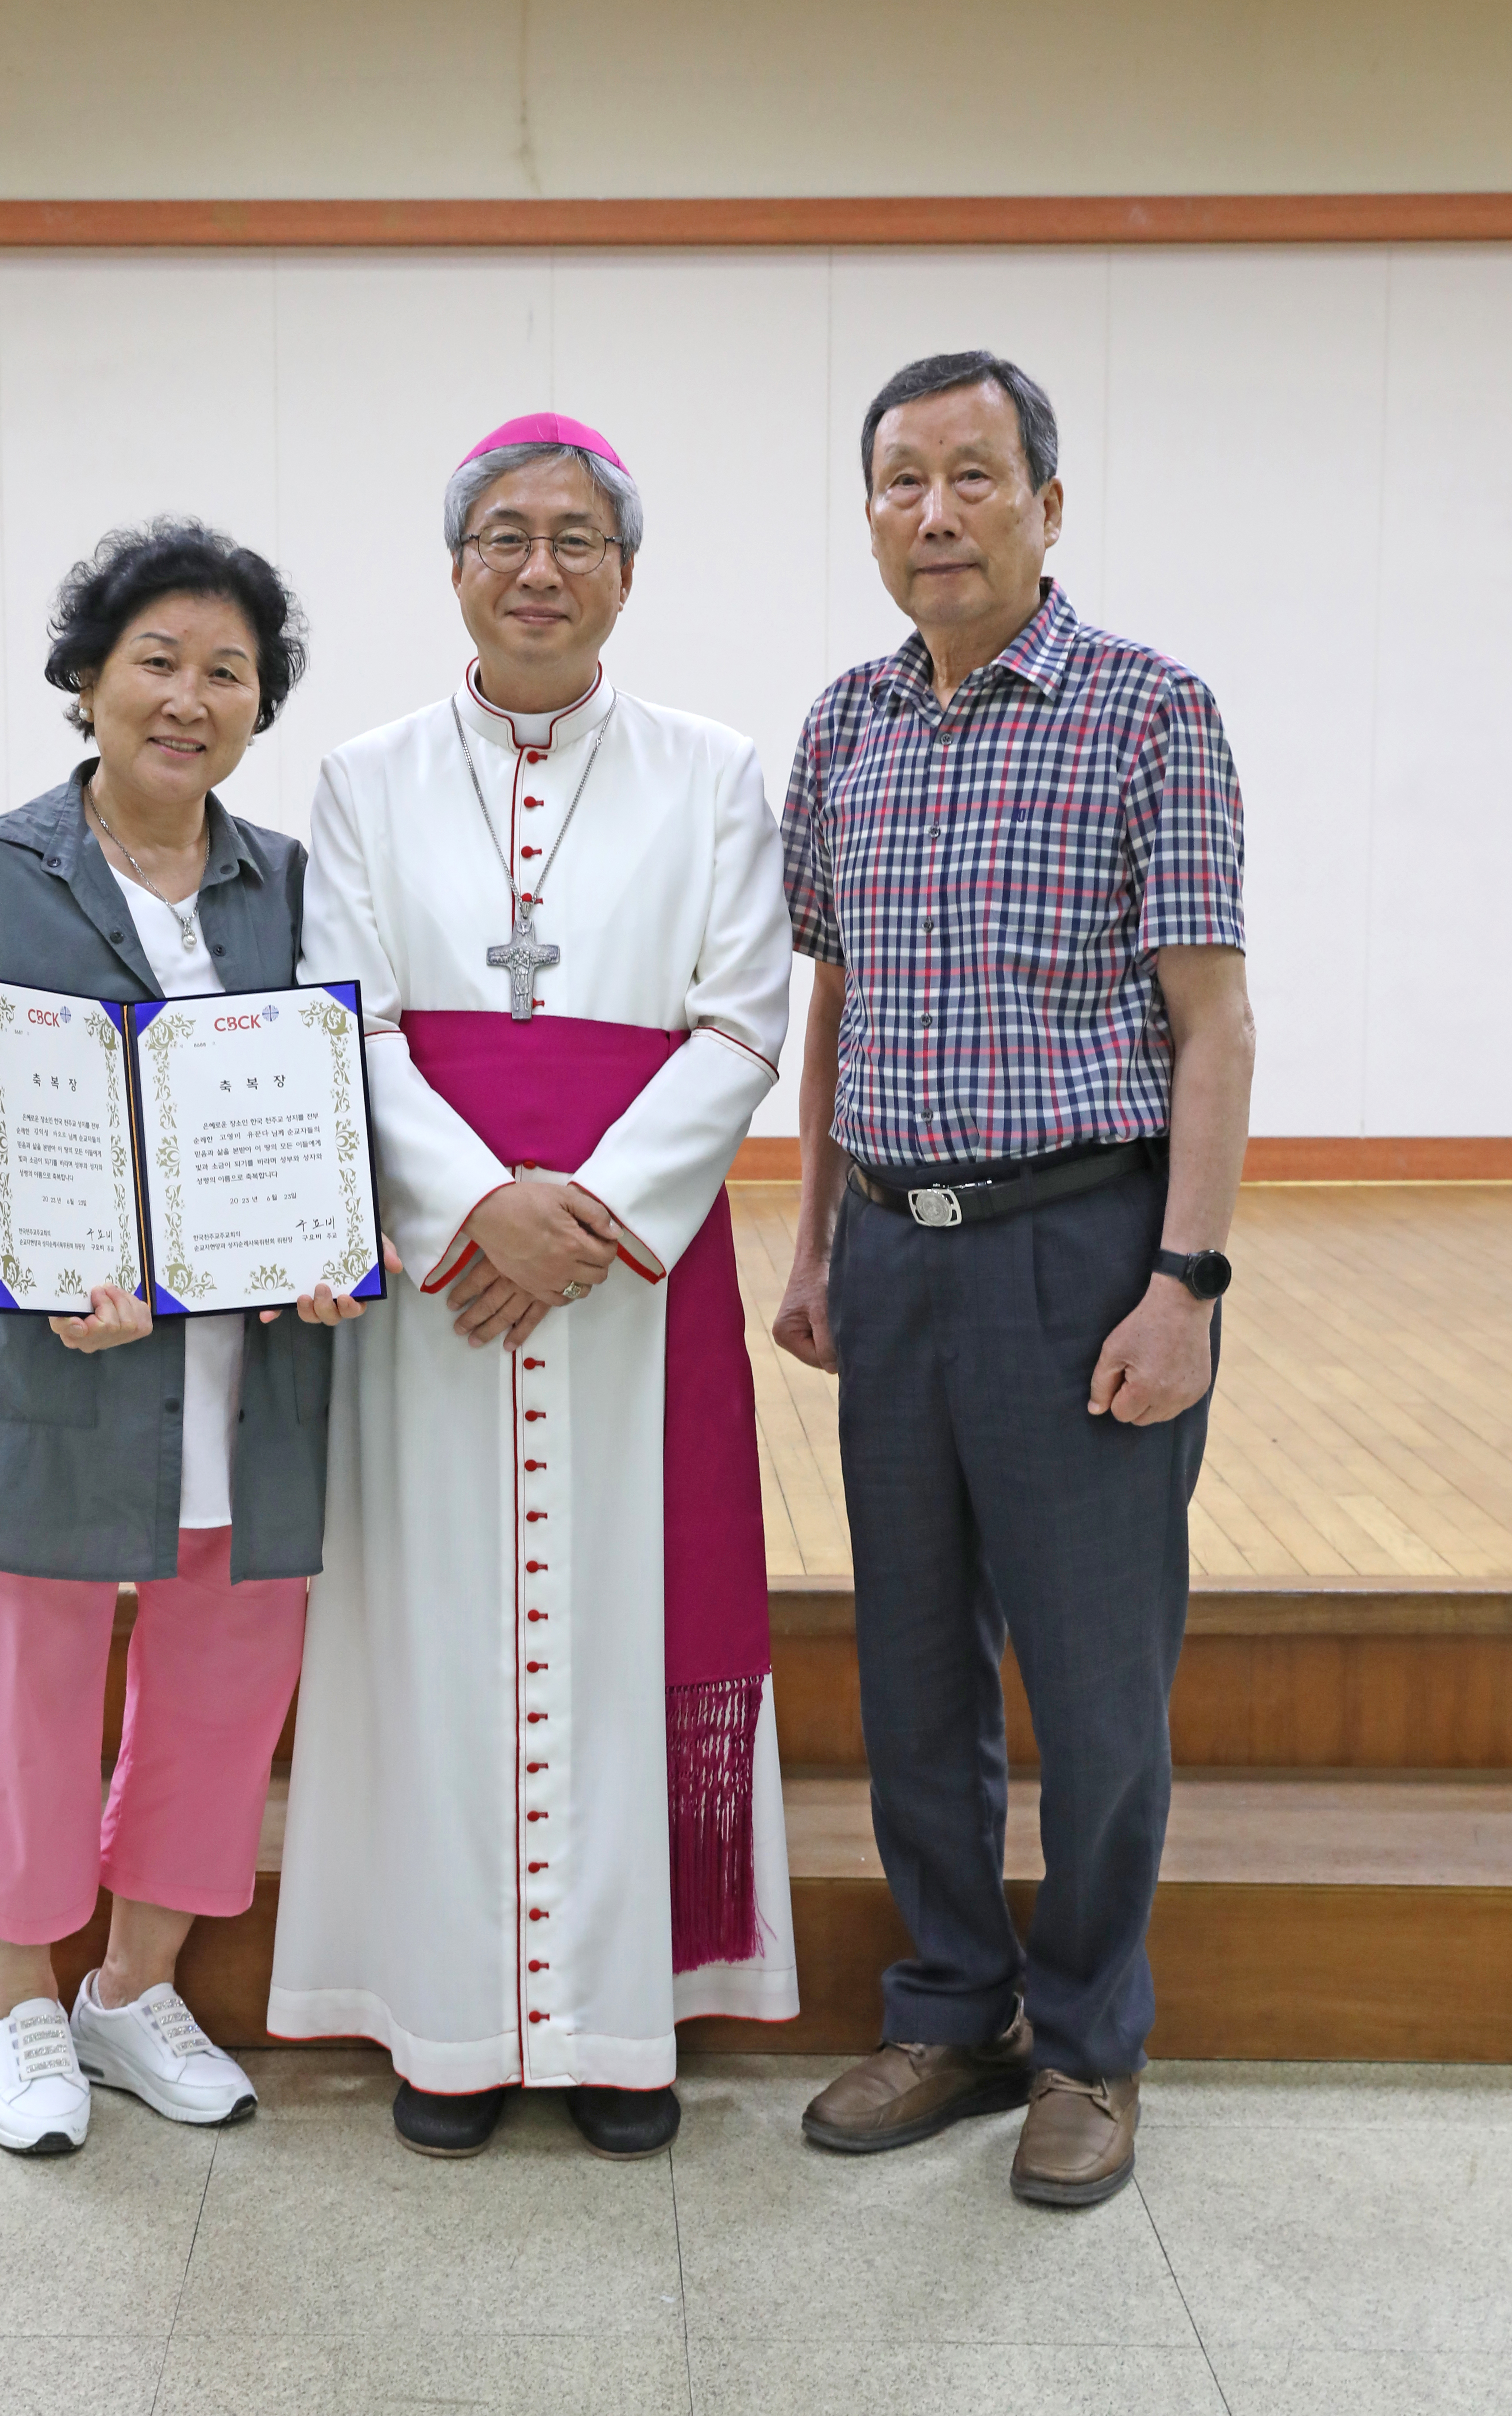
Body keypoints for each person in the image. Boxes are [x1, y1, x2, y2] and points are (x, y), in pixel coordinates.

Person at [267, 412, 799, 2159]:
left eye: (578, 538)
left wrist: (589, 1219)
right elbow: (348, 1022)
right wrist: (479, 1208)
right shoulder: (364, 778)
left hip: (631, 1288)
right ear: (456, 569)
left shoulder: (714, 772)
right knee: (434, 1634)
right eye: (506, 535)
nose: (540, 568)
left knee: (631, 1626)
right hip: (446, 1292)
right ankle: (451, 2021)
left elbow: (741, 1023)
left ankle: (619, 2026)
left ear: (626, 574)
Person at [774, 353, 1253, 2206]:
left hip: (1084, 1251)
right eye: (901, 480)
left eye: (974, 476)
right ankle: (953, 2007)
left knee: (1098, 1685)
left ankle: (1089, 2043)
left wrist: (1184, 1280)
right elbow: (836, 1002)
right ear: (870, 516)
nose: (936, 513)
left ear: (1047, 506)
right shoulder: (844, 725)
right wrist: (813, 1240)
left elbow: (1211, 1026)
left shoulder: (1150, 711)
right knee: (915, 1674)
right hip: (896, 1251)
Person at [0, 517, 391, 2156]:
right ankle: (26, 2002)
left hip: (254, 1372)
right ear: (88, 680)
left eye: (228, 671)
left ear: (259, 706)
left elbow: (349, 1095)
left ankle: (133, 1988)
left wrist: (337, 1245)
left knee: (222, 1698)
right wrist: (40, 1263)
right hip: (53, 1366)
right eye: (157, 661)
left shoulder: (293, 884)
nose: (189, 698)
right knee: (24, 1693)